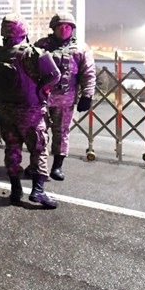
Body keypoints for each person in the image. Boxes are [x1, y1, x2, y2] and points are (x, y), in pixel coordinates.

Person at [0, 14, 62, 208]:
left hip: (6, 112)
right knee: (38, 149)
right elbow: (55, 75)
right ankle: (38, 191)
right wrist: (41, 89)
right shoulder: (32, 53)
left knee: (12, 150)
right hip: (31, 111)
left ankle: (15, 189)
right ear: (23, 31)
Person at [34, 12, 96, 181]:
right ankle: (38, 165)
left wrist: (87, 95)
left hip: (66, 99)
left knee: (61, 133)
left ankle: (57, 167)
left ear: (72, 29)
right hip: (42, 98)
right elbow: (30, 69)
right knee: (38, 132)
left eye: (68, 26)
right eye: (60, 26)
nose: (64, 29)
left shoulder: (81, 49)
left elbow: (88, 73)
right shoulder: (41, 45)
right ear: (53, 28)